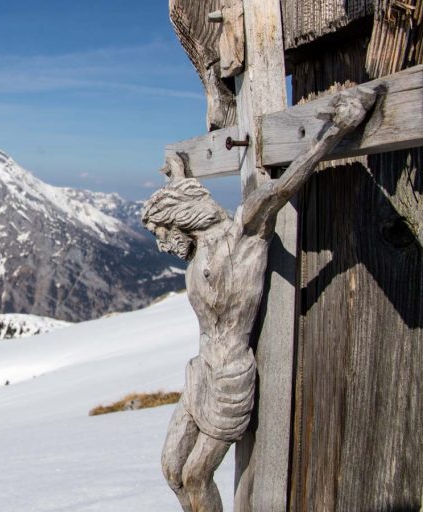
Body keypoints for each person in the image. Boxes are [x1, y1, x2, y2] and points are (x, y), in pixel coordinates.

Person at [141, 87, 375, 511]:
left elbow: (281, 189)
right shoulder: (197, 250)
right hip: (201, 371)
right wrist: (177, 171)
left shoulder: (245, 234)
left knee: (195, 476)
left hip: (230, 377)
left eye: (161, 231)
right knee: (170, 468)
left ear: (179, 219)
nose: (160, 243)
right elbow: (183, 191)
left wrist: (336, 129)